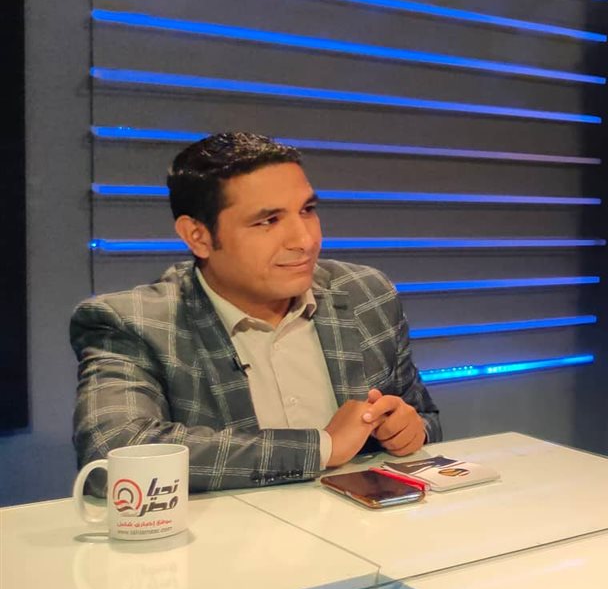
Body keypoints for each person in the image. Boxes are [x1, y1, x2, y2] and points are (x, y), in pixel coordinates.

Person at [72, 132, 440, 491]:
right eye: (268, 221)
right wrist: (323, 447)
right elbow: (113, 453)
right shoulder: (134, 323)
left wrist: (410, 430)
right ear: (198, 236)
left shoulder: (366, 294)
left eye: (307, 211)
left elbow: (424, 419)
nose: (305, 240)